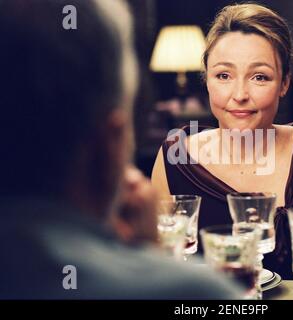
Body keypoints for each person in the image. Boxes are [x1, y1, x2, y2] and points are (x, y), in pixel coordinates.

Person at [0, 0, 241, 299]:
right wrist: (152, 264)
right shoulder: (194, 293)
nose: (239, 95)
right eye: (223, 75)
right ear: (110, 144)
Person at [152, 3, 293, 279]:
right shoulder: (176, 155)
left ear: (284, 83)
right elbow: (151, 262)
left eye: (260, 77)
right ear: (207, 80)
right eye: (223, 75)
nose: (239, 94)